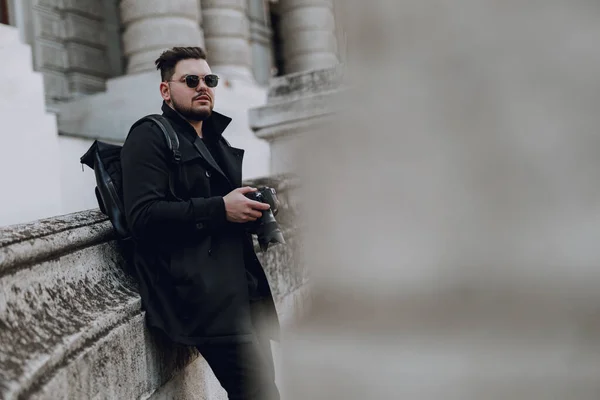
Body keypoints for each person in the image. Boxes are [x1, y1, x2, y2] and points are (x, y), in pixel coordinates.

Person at [120, 46, 281, 400]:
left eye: (209, 79)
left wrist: (248, 212)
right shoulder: (149, 136)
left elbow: (216, 211)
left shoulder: (214, 139)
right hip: (204, 298)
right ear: (166, 90)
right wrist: (221, 209)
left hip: (242, 291)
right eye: (190, 80)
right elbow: (143, 216)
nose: (202, 86)